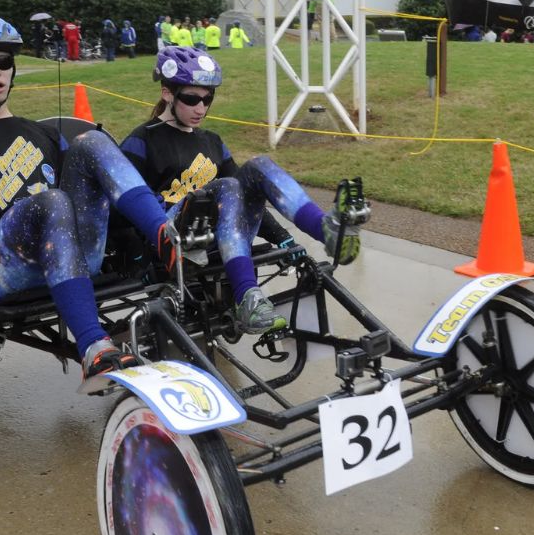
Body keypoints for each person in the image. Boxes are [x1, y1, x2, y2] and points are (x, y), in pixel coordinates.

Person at [0, 14, 179, 385]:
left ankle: (166, 235)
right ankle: (93, 347)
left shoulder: (43, 134)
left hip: (70, 253)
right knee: (52, 201)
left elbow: (97, 201)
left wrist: (136, 247)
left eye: (4, 62)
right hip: (1, 269)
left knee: (92, 140)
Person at [120, 47, 361, 333]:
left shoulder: (211, 140)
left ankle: (329, 232)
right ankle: (246, 295)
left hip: (222, 232)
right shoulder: (142, 140)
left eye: (208, 99)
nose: (201, 108)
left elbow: (246, 194)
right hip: (175, 242)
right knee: (228, 186)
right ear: (167, 93)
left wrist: (282, 239)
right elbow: (123, 206)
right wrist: (137, 258)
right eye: (191, 98)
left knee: (258, 166)